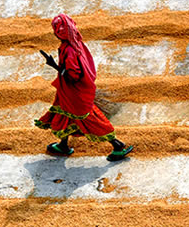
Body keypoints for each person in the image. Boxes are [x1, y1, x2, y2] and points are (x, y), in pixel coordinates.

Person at [33, 13, 134, 161]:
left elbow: (73, 76)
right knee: (64, 114)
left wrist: (53, 64)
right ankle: (63, 145)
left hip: (75, 95)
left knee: (91, 120)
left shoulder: (69, 50)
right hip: (69, 92)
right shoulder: (76, 43)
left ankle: (118, 145)